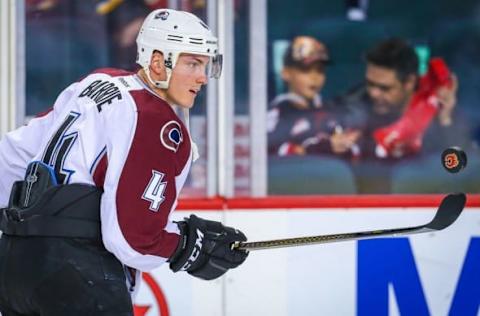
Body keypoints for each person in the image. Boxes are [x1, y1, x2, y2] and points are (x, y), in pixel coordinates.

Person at [0, 9, 248, 315]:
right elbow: (134, 238)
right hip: (77, 272)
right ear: (158, 62)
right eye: (192, 63)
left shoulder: (98, 81)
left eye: (206, 64)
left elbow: (12, 156)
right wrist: (188, 245)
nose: (202, 77)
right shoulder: (155, 119)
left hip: (16, 266)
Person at [333, 38, 463, 192]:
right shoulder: (350, 110)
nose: (374, 93)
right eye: (370, 84)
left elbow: (463, 170)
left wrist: (446, 120)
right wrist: (333, 147)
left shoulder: (437, 110)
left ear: (409, 82)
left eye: (384, 88)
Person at [267, 36, 360, 158]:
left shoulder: (332, 112)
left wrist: (345, 145)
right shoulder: (276, 113)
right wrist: (321, 147)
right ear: (286, 73)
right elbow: (268, 151)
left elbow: (355, 152)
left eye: (320, 70)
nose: (314, 77)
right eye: (305, 70)